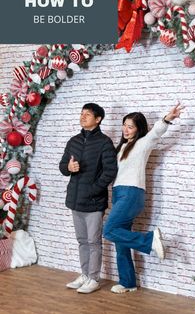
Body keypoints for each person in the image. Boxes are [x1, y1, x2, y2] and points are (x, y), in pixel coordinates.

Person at [103, 103, 184, 294]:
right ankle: (128, 282)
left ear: (139, 129)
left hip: (132, 193)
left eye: (130, 126)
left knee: (109, 230)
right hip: (118, 193)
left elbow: (156, 132)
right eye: (124, 125)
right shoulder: (122, 148)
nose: (125, 129)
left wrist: (167, 118)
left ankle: (150, 240)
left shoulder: (142, 143)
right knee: (120, 241)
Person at [59, 103, 117, 294]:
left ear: (98, 119)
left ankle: (94, 278)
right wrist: (69, 168)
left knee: (93, 241)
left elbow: (110, 171)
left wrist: (93, 189)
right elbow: (62, 166)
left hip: (93, 202)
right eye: (81, 114)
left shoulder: (104, 143)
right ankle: (84, 275)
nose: (83, 117)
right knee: (82, 240)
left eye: (88, 114)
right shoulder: (73, 141)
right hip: (75, 200)